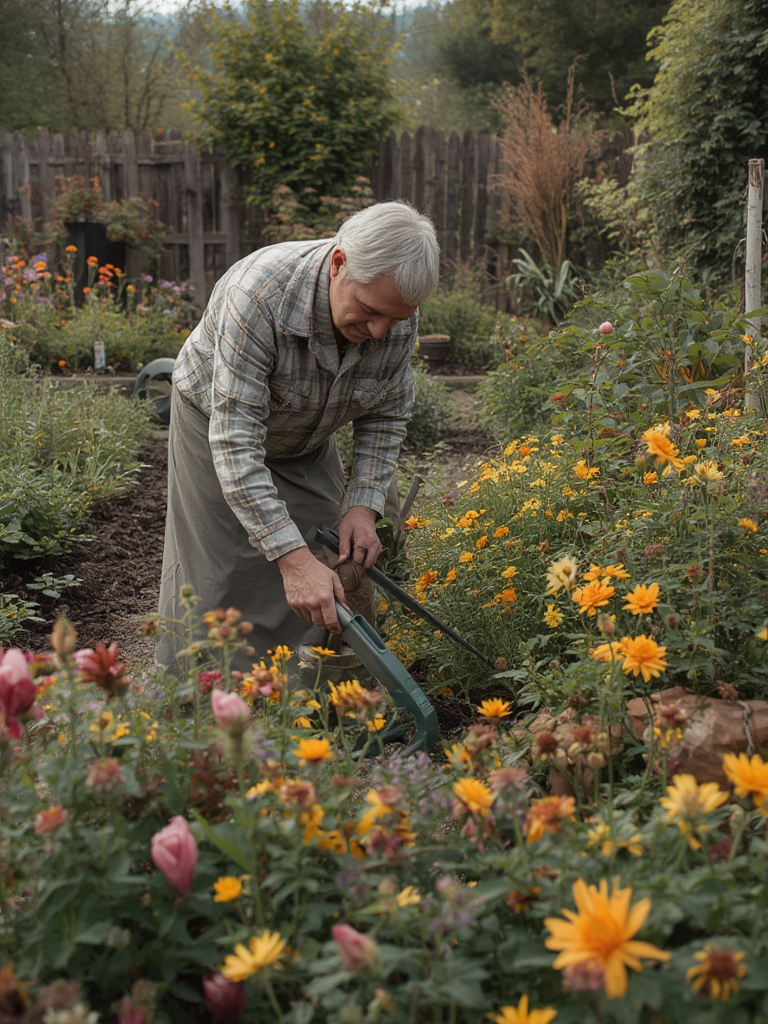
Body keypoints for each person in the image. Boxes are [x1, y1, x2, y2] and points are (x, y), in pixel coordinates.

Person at [156, 200, 440, 673]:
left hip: (306, 431)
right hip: (217, 426)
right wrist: (289, 558)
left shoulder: (393, 316)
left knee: (329, 558)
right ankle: (206, 709)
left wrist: (363, 505)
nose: (379, 331)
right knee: (222, 577)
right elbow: (236, 444)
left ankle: (304, 701)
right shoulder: (260, 296)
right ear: (338, 263)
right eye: (370, 312)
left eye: (395, 319)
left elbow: (386, 413)